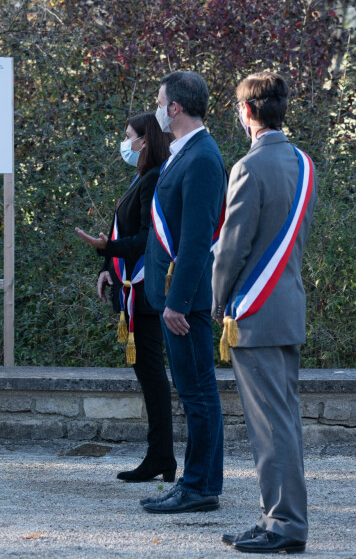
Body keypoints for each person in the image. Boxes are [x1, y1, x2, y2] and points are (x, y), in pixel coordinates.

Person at [212, 72, 317, 554]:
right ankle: (276, 516)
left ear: (248, 112)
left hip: (255, 311)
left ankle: (285, 525)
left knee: (271, 428)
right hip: (286, 305)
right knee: (283, 422)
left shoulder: (249, 167)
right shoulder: (304, 163)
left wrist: (217, 301)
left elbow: (232, 249)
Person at [139, 71, 226, 514]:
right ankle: (197, 483)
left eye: (159, 101)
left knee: (198, 394)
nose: (156, 108)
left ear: (173, 108)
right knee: (194, 393)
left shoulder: (203, 157)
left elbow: (197, 240)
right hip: (176, 298)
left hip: (185, 303)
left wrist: (178, 301)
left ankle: (199, 488)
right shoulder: (183, 153)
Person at [76, 113, 176, 482]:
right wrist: (107, 262)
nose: (125, 144)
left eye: (129, 136)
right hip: (131, 289)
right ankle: (160, 456)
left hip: (146, 295)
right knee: (148, 375)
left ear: (145, 140)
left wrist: (109, 246)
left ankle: (161, 457)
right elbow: (126, 229)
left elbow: (151, 239)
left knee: (152, 377)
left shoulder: (154, 179)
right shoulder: (142, 178)